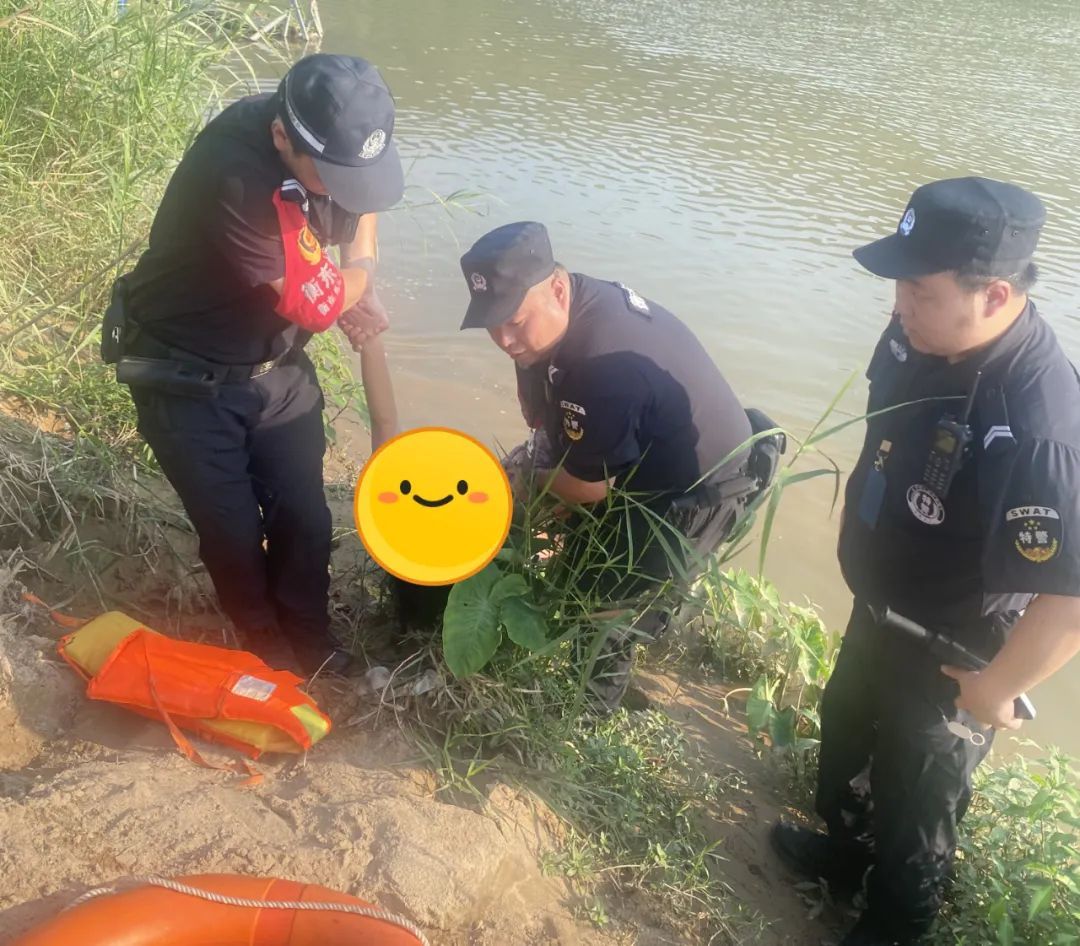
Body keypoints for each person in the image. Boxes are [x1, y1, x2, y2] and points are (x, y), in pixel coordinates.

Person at [770, 178, 1080, 945]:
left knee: (919, 802)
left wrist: (998, 689)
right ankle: (843, 858)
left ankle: (893, 924)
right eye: (899, 285)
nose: (898, 306)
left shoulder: (1037, 420)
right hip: (878, 607)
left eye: (919, 290)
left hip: (953, 649)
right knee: (845, 736)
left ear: (994, 293)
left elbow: (1069, 598)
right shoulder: (917, 332)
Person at [107, 54, 404, 674]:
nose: (345, 192)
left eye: (358, 175)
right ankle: (264, 644)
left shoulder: (336, 149)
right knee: (233, 531)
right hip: (185, 374)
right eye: (333, 177)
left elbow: (363, 207)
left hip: (277, 363)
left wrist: (360, 268)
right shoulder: (236, 175)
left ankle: (310, 634)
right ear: (280, 138)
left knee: (305, 512)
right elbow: (316, 300)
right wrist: (356, 281)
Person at [457, 221, 782, 707]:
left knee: (606, 609)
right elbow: (547, 419)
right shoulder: (565, 311)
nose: (504, 339)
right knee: (570, 572)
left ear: (558, 289)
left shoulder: (600, 366)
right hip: (640, 456)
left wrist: (516, 484)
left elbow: (586, 489)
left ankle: (587, 716)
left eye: (515, 321)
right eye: (493, 324)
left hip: (702, 487)